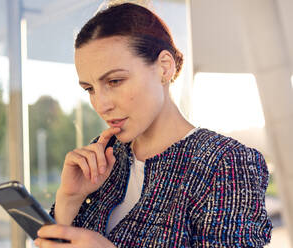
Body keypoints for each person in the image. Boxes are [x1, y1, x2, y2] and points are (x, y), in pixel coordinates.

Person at [34, 3, 273, 247]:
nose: (100, 104)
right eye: (90, 89)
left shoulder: (225, 163)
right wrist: (68, 200)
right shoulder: (102, 157)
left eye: (115, 81)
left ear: (164, 67)